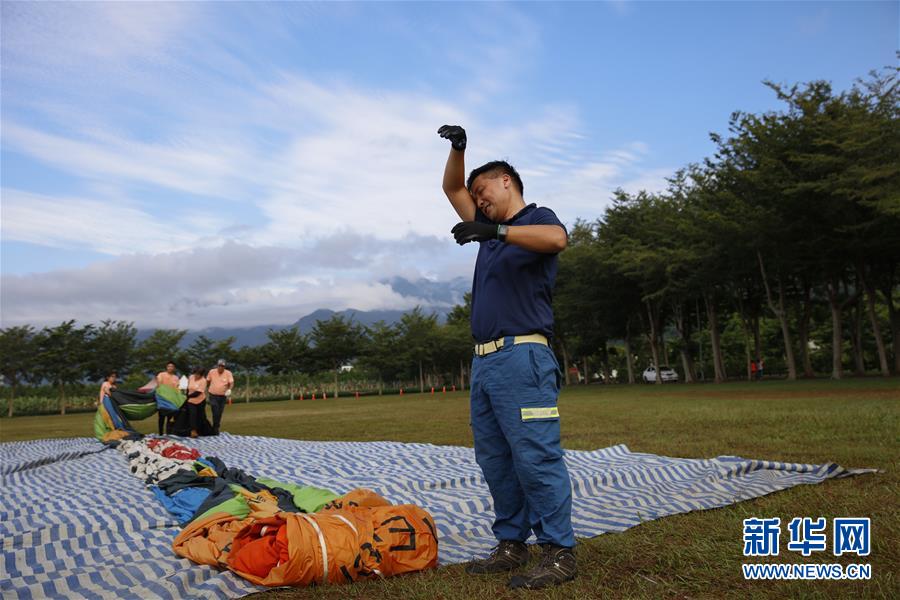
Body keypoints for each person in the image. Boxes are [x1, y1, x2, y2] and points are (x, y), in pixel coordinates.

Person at [438, 124, 576, 589]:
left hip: (523, 356)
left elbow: (557, 240)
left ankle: (559, 551)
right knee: (495, 459)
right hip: (485, 362)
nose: (476, 200)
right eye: (475, 197)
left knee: (535, 456)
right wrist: (459, 149)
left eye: (484, 191)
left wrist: (495, 228)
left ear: (506, 182)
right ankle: (512, 543)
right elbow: (452, 186)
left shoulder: (535, 218)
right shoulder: (490, 232)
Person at [206, 359, 234, 435]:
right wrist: (206, 387)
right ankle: (215, 428)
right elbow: (207, 381)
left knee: (219, 412)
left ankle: (216, 427)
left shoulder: (228, 373)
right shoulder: (212, 372)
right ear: (217, 365)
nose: (221, 367)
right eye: (219, 366)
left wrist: (229, 389)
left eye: (222, 366)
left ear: (224, 367)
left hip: (222, 396)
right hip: (213, 395)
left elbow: (231, 382)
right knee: (215, 410)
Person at [157, 361, 180, 434]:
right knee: (161, 417)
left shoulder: (176, 377)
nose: (170, 368)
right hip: (162, 398)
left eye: (172, 366)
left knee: (170, 418)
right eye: (169, 366)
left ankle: (168, 433)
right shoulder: (161, 374)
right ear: (166, 367)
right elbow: (159, 384)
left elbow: (177, 389)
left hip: (171, 399)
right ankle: (160, 433)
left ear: (174, 368)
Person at [186, 366, 208, 438]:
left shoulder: (203, 381)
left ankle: (203, 431)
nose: (196, 375)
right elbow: (188, 388)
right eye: (195, 373)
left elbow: (197, 393)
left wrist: (187, 396)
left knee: (202, 416)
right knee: (193, 415)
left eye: (198, 374)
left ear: (201, 375)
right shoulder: (191, 377)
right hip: (191, 401)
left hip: (200, 400)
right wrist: (186, 395)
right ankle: (193, 431)